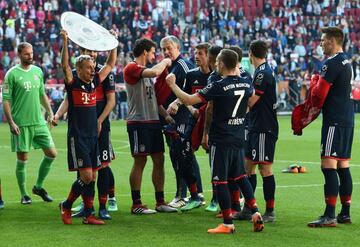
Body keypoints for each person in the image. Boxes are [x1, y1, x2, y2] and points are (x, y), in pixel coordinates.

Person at [166, 49, 264, 234]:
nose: (215, 65)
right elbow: (250, 102)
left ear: (221, 64)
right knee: (240, 176)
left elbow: (188, 99)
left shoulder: (218, 85)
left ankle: (227, 223)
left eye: (217, 62)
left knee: (220, 181)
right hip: (238, 136)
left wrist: (172, 85)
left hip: (221, 138)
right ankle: (255, 212)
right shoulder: (246, 83)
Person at [292, 26, 354, 227]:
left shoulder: (331, 63)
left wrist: (314, 81)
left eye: (323, 40)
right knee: (343, 165)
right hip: (347, 120)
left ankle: (329, 215)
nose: (320, 43)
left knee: (328, 165)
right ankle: (345, 213)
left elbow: (319, 95)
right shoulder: (347, 61)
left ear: (333, 41)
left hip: (334, 121)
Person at [58, 29, 117, 225]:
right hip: (78, 137)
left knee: (92, 176)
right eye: (90, 68)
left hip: (93, 136)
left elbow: (110, 64)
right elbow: (64, 65)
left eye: (93, 67)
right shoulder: (73, 83)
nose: (93, 70)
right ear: (80, 69)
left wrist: (113, 42)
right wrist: (65, 41)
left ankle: (89, 214)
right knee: (87, 175)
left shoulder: (94, 83)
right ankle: (66, 205)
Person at [123, 38, 177, 214]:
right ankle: (136, 204)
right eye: (153, 52)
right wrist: (166, 61)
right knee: (140, 160)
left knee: (159, 160)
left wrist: (165, 115)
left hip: (152, 121)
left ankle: (160, 201)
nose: (155, 55)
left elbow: (152, 99)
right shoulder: (132, 68)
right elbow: (155, 72)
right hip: (138, 122)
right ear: (145, 52)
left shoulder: (145, 73)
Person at [2, 42, 57, 204]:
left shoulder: (37, 71)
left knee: (52, 154)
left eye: (31, 53)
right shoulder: (11, 75)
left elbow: (41, 94)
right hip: (21, 124)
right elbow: (6, 101)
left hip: (38, 122)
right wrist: (11, 122)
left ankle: (38, 187)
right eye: (27, 54)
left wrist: (50, 111)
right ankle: (24, 194)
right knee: (23, 159)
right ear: (19, 55)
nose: (31, 56)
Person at [157, 35, 203, 210]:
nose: (166, 52)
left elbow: (192, 92)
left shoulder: (184, 66)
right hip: (172, 119)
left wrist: (178, 103)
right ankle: (196, 193)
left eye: (169, 48)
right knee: (184, 156)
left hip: (182, 118)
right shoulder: (171, 66)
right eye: (163, 49)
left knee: (181, 156)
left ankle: (182, 195)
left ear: (178, 48)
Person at [166, 43, 211, 211]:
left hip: (211, 122)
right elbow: (186, 96)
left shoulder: (215, 76)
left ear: (208, 56)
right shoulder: (192, 75)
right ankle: (194, 195)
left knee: (215, 159)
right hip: (194, 119)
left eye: (200, 53)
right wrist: (180, 104)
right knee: (183, 153)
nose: (196, 56)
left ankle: (217, 198)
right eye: (195, 52)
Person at [244, 40, 279, 223]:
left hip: (264, 127)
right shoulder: (262, 71)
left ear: (251, 52)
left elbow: (251, 102)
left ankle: (270, 211)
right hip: (255, 126)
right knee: (248, 167)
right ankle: (249, 208)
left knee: (265, 168)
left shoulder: (262, 73)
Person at [202, 45, 223, 212]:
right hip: (239, 128)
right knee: (238, 170)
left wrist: (205, 133)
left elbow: (210, 106)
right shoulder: (242, 75)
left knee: (217, 168)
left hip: (219, 130)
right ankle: (245, 205)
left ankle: (218, 201)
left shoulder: (214, 78)